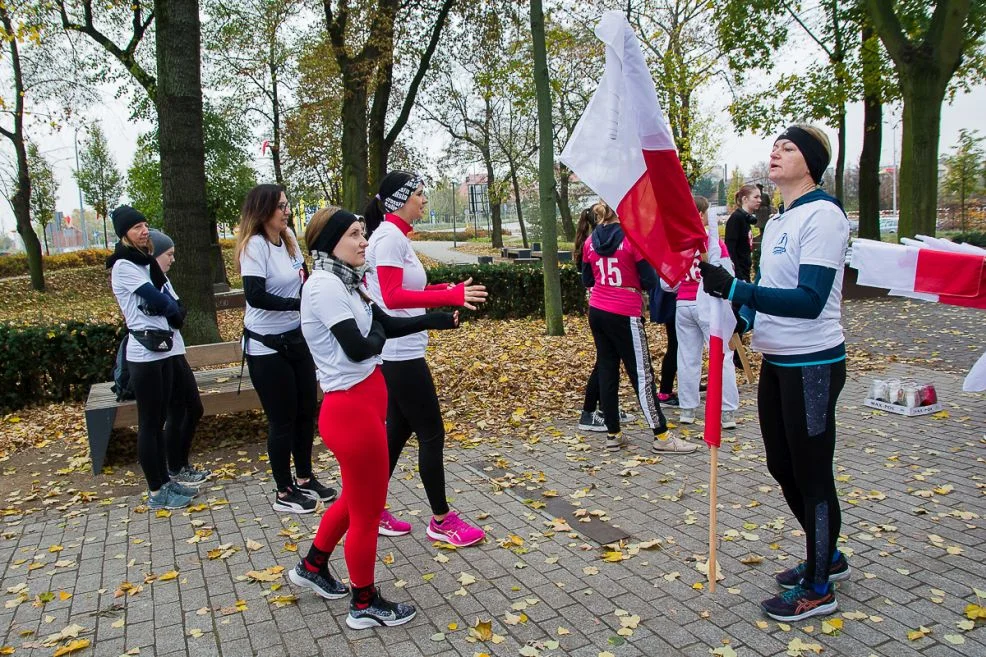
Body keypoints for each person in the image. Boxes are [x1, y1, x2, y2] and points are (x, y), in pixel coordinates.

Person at [699, 124, 850, 622]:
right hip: (777, 361)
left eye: (787, 148)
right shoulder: (780, 220)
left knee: (811, 473)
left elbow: (809, 302)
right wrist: (739, 311)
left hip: (812, 365)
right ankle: (824, 552)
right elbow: (772, 289)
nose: (776, 153)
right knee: (782, 466)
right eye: (774, 146)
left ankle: (818, 586)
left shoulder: (823, 216)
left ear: (810, 162)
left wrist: (740, 291)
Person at [289, 207, 459, 629]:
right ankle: (363, 603)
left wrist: (435, 319)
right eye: (354, 234)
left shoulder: (349, 280)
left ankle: (313, 566)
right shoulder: (325, 286)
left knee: (354, 500)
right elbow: (360, 347)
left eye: (363, 233)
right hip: (350, 413)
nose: (364, 241)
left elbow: (382, 324)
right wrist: (378, 337)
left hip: (364, 406)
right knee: (368, 512)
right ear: (331, 242)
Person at [361, 171, 489, 546]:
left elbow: (408, 289)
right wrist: (446, 299)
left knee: (396, 436)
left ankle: (370, 508)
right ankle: (441, 519)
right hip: (400, 353)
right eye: (419, 194)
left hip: (405, 350)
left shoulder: (395, 236)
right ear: (401, 200)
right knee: (432, 434)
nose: (424, 200)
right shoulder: (387, 238)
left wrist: (445, 289)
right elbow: (392, 295)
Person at [235, 184, 336, 514]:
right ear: (263, 210)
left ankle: (305, 478)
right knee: (282, 419)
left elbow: (302, 279)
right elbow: (255, 296)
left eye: (287, 205)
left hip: (296, 339)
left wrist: (311, 293)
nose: (286, 210)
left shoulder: (289, 240)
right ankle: (283, 490)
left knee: (306, 412)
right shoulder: (255, 247)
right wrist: (299, 303)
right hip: (266, 347)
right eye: (281, 206)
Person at [581, 202, 695, 454]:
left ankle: (613, 433)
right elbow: (649, 280)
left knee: (607, 370)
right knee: (642, 374)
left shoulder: (590, 241)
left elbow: (587, 279)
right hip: (624, 310)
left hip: (598, 309)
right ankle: (662, 435)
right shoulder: (632, 238)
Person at [107, 206, 197, 510]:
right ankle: (157, 490)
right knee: (150, 423)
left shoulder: (147, 262)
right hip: (144, 354)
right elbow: (160, 300)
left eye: (145, 225)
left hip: (163, 348)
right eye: (136, 227)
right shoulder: (123, 264)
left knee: (162, 419)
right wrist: (168, 308)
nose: (144, 231)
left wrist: (169, 308)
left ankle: (166, 482)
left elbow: (175, 309)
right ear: (124, 234)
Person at [149, 229, 211, 487]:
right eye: (169, 255)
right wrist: (173, 311)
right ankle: (175, 466)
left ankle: (180, 463)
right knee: (179, 410)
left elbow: (179, 312)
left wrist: (174, 311)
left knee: (192, 408)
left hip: (176, 349)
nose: (172, 260)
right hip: (164, 353)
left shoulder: (164, 280)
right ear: (154, 255)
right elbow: (172, 313)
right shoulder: (148, 281)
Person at [675, 196, 740, 428]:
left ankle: (687, 409)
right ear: (702, 215)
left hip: (683, 302)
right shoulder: (712, 242)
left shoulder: (678, 241)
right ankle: (727, 411)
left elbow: (667, 282)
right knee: (722, 356)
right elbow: (726, 273)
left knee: (687, 357)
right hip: (708, 303)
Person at [574, 206, 635, 432]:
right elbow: (589, 277)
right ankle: (590, 411)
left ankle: (606, 409)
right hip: (609, 306)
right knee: (604, 364)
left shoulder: (592, 241)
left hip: (599, 307)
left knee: (608, 363)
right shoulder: (593, 242)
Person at [724, 184, 762, 283]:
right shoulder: (736, 218)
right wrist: (739, 277)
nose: (760, 200)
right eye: (756, 197)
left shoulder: (746, 219)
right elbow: (730, 249)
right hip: (739, 276)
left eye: (760, 197)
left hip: (745, 273)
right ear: (745, 199)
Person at [649, 281, 679, 407]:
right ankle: (665, 391)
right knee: (676, 345)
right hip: (674, 299)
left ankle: (668, 390)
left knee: (677, 345)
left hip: (671, 299)